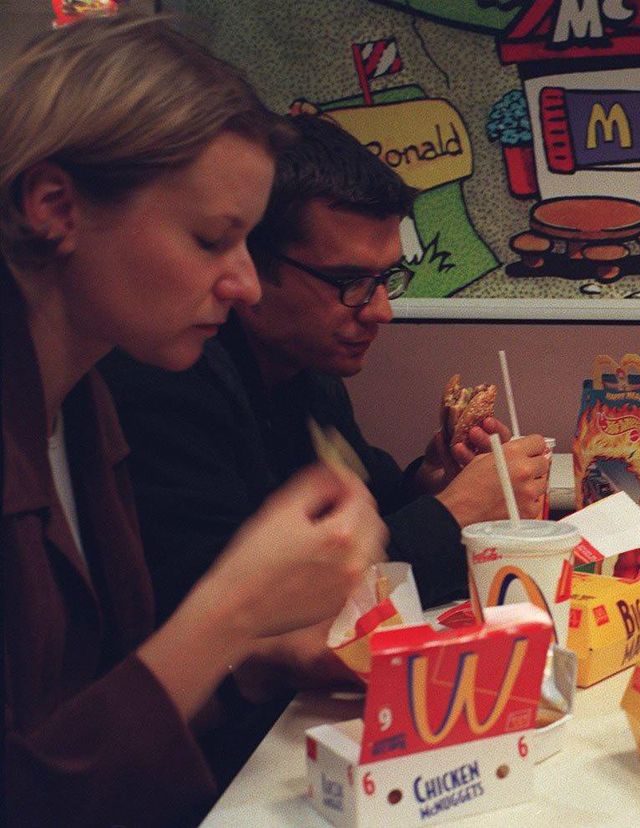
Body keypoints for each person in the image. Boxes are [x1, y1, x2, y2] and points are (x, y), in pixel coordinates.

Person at [1, 16, 388, 827]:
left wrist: (257, 663)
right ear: (53, 206)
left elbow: (105, 711)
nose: (245, 284)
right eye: (214, 240)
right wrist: (233, 608)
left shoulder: (81, 406)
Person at [101, 113, 550, 620]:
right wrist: (456, 513)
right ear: (250, 263)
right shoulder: (167, 381)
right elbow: (245, 614)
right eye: (349, 280)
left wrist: (432, 481)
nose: (381, 310)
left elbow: (368, 512)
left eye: (387, 278)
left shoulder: (309, 372)